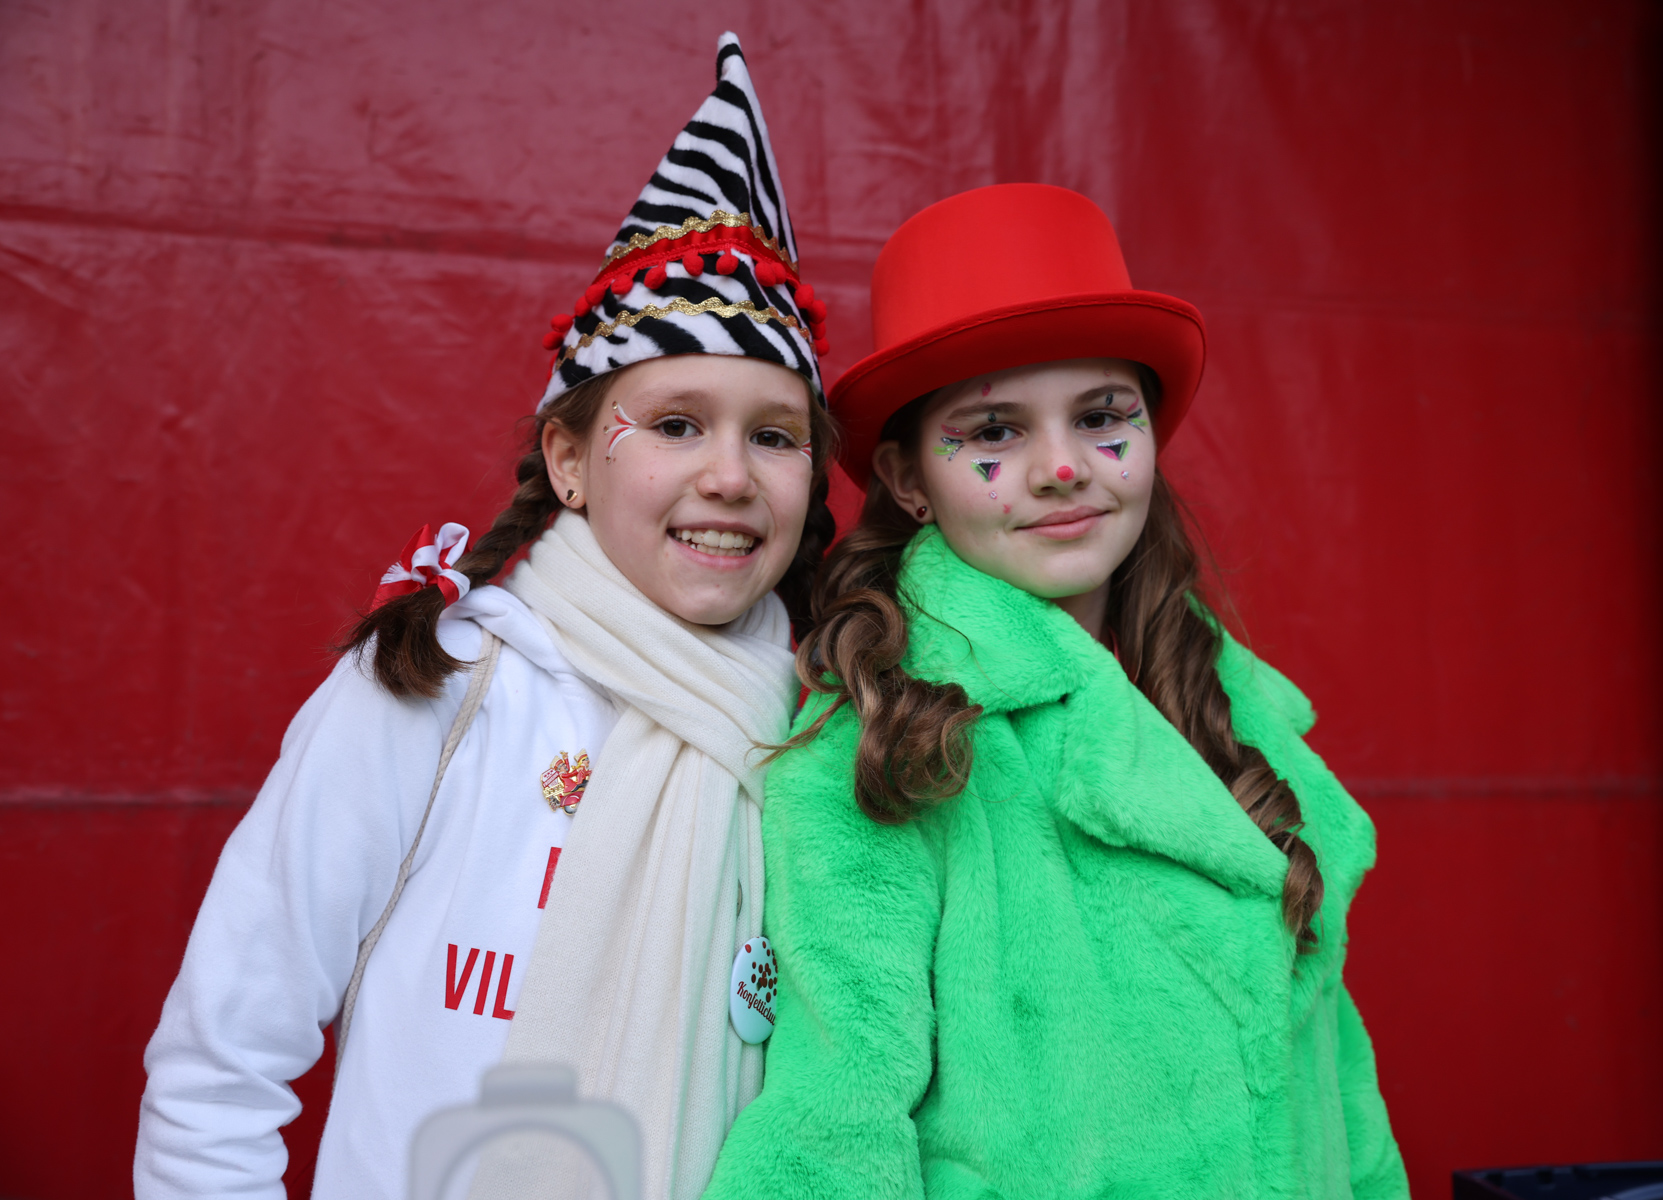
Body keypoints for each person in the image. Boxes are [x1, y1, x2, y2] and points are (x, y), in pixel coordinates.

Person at [135, 33, 833, 1200]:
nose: (729, 476)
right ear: (569, 459)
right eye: (674, 424)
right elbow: (221, 1066)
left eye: (774, 435)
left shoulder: (818, 732)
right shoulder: (442, 689)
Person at [702, 183, 1409, 1199]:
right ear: (907, 479)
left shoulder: (1237, 712)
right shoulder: (885, 734)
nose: (1064, 468)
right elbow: (837, 1121)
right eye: (993, 431)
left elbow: (1342, 1096)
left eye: (1102, 416)